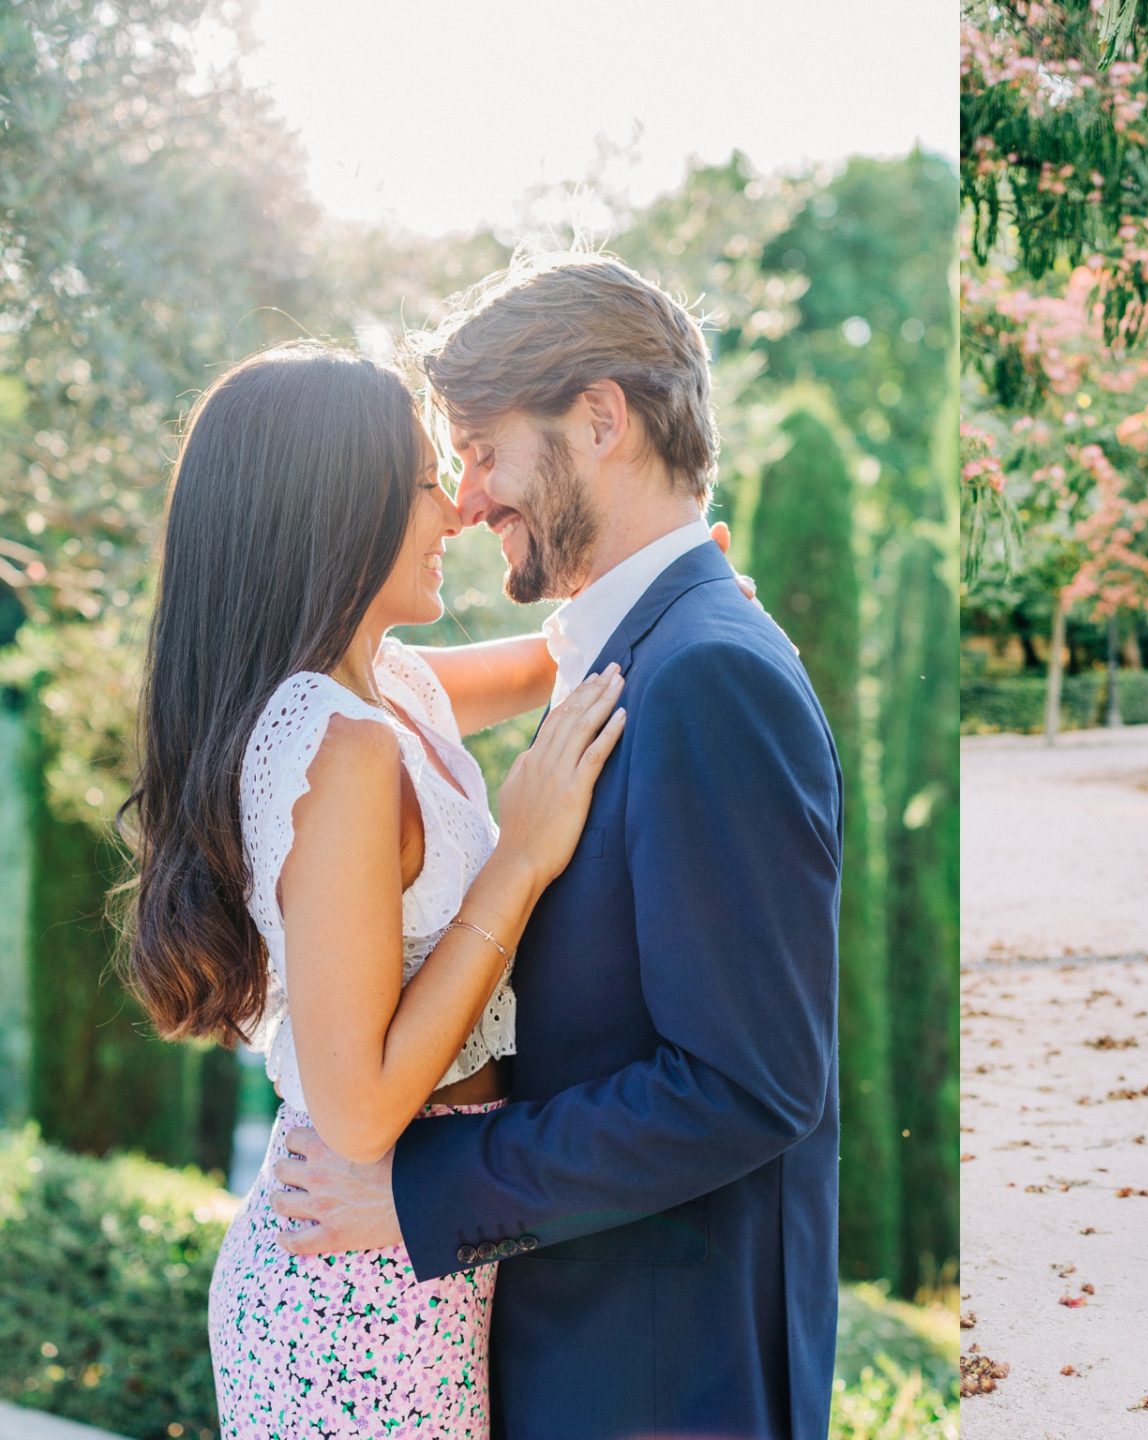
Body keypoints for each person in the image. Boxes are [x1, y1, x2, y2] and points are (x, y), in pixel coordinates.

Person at [268, 254, 845, 1440]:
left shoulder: (710, 674)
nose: (467, 497)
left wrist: (418, 1192)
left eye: (482, 449)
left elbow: (749, 1084)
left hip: (654, 1380)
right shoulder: (636, 648)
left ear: (598, 418)